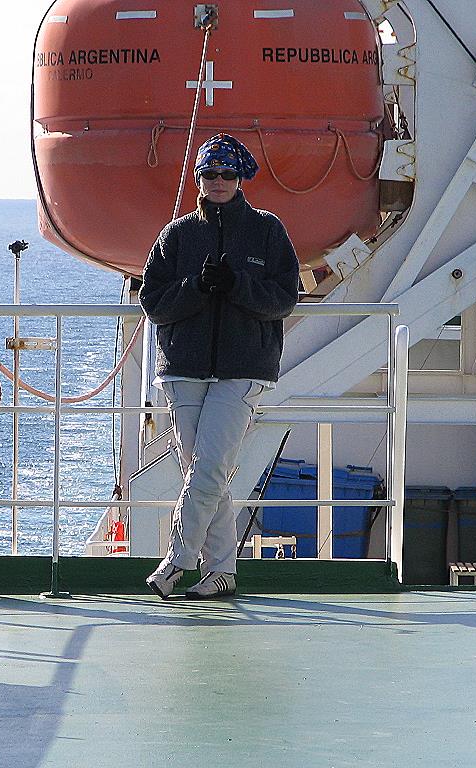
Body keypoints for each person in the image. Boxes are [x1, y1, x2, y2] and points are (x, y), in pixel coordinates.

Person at [140, 133, 299, 599]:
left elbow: (284, 299)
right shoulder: (178, 234)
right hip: (184, 370)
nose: (219, 181)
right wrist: (196, 287)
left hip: (243, 369)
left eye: (228, 173)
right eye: (210, 173)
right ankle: (222, 572)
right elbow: (153, 301)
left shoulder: (267, 230)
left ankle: (177, 561)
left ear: (241, 178)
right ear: (199, 178)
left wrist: (237, 284)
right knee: (206, 474)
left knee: (207, 469)